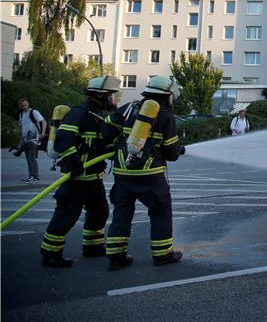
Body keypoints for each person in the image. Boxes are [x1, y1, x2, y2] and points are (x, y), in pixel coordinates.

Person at [104, 75, 183, 271]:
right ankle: (163, 254)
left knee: (122, 212)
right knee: (160, 211)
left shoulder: (127, 109)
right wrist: (178, 149)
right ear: (166, 96)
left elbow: (106, 132)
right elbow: (171, 153)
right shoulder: (165, 116)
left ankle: (116, 256)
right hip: (151, 174)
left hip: (123, 173)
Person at [40, 76, 120, 268]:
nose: (113, 99)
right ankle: (50, 253)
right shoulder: (79, 114)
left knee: (99, 211)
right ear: (101, 96)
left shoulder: (98, 117)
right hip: (76, 177)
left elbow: (99, 143)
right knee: (66, 215)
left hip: (92, 177)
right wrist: (73, 162)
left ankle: (92, 247)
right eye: (111, 95)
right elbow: (63, 140)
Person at [16, 98, 46, 183]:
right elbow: (22, 128)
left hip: (34, 139)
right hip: (25, 140)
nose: (24, 107)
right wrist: (20, 141)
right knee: (28, 158)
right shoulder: (21, 114)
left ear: (28, 104)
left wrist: (43, 133)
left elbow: (43, 122)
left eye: (25, 105)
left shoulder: (34, 112)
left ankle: (35, 177)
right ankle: (31, 176)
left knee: (31, 157)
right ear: (20, 106)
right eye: (22, 106)